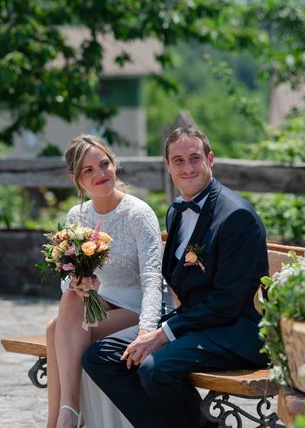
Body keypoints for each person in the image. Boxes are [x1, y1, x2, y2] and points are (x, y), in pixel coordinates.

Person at [81, 127, 269, 428]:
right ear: (167, 166)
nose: (187, 168)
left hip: (235, 330)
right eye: (178, 160)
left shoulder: (236, 216)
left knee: (156, 368)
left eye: (195, 158)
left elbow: (227, 302)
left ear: (210, 159)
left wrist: (164, 333)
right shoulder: (176, 212)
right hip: (194, 323)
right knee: (101, 356)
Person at [46, 134, 163, 428]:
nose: (100, 174)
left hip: (138, 307)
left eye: (104, 164)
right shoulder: (78, 215)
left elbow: (152, 278)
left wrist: (148, 328)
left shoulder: (138, 213)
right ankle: (66, 413)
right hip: (103, 302)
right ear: (77, 179)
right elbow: (69, 276)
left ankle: (64, 420)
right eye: (88, 170)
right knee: (68, 303)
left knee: (55, 330)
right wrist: (74, 284)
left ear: (114, 164)